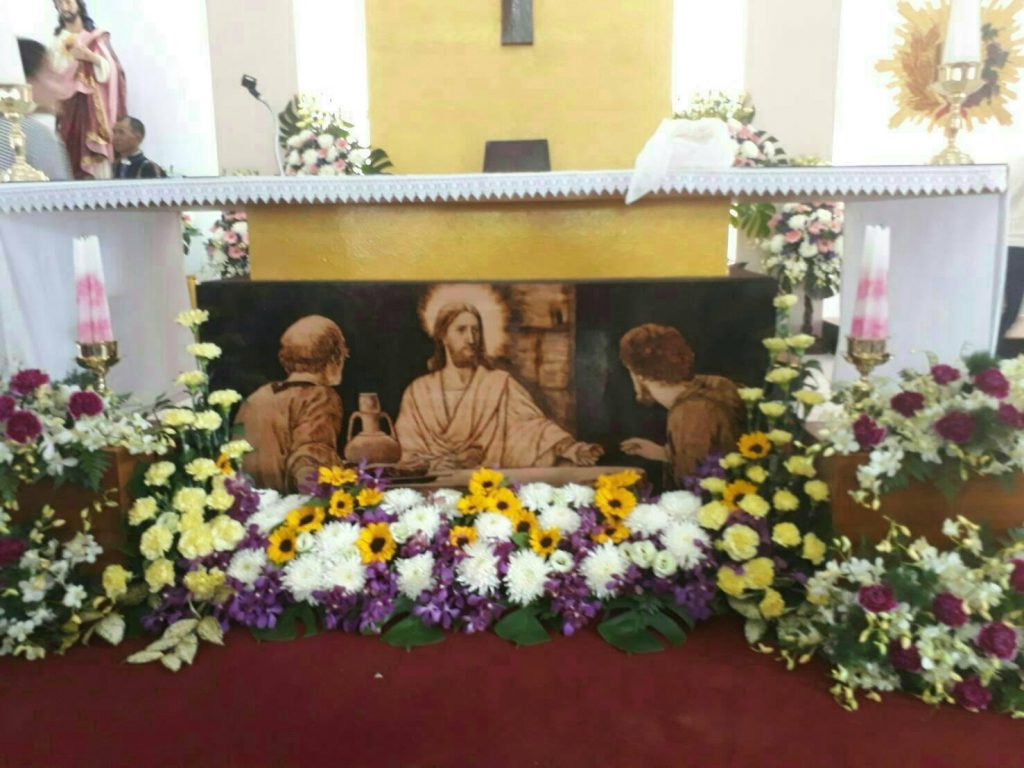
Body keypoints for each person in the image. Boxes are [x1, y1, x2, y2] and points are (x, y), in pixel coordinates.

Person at [395, 302, 603, 472]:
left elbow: (533, 428)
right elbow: (407, 451)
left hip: (491, 488)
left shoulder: (498, 384)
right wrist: (433, 464)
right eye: (461, 330)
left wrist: (571, 449)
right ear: (442, 336)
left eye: (476, 330)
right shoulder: (418, 392)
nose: (471, 339)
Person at [619, 323, 743, 488]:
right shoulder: (719, 384)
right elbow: (710, 453)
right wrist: (663, 454)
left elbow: (695, 486)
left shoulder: (687, 413)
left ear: (638, 375)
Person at [235, 316, 346, 492]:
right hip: (292, 505)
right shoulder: (320, 396)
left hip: (253, 503)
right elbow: (309, 462)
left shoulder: (257, 398)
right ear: (335, 357)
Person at [49, 0, 127, 180]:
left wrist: (92, 58)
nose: (64, 7)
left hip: (93, 106)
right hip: (67, 105)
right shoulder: (57, 40)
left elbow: (114, 71)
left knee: (92, 149)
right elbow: (52, 73)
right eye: (59, 3)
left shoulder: (95, 37)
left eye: (68, 2)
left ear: (79, 4)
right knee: (68, 146)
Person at [0, 39, 72, 180]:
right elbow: (60, 192)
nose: (61, 90)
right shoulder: (32, 133)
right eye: (52, 76)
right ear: (24, 82)